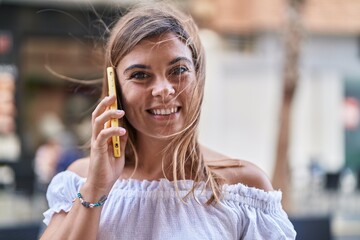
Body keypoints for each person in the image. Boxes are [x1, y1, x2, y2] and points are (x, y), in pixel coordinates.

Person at [40, 3, 296, 240]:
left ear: (198, 79)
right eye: (140, 75)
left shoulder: (244, 189)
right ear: (114, 89)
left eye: (178, 70)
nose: (163, 89)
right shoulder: (80, 180)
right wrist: (96, 188)